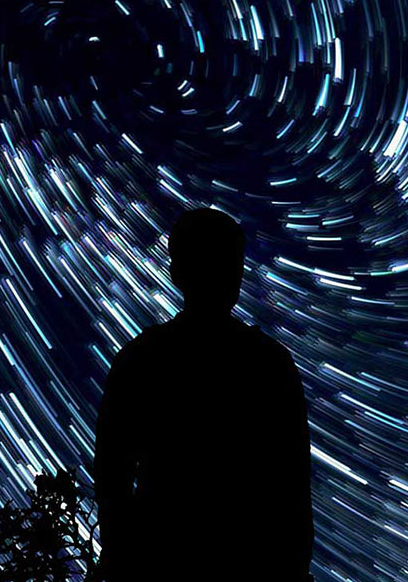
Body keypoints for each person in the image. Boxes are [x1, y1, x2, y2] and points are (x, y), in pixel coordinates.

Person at [94, 208, 313, 581]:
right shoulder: (267, 362)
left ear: (176, 271)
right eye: (226, 262)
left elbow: (112, 473)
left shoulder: (143, 358)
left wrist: (121, 554)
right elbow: (291, 481)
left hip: (164, 557)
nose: (231, 274)